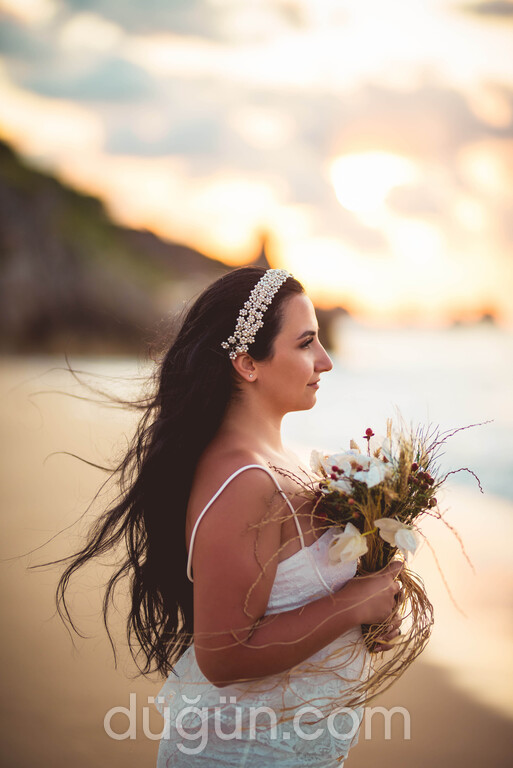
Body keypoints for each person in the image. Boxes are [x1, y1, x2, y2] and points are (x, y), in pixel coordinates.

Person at [55, 266, 402, 767]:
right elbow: (224, 656)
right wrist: (354, 607)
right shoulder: (244, 482)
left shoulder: (283, 460)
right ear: (246, 363)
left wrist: (369, 614)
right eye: (306, 344)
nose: (325, 362)